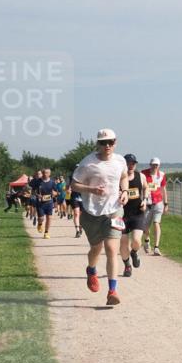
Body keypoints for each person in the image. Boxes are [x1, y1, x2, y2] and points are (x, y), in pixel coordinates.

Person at [70, 129, 129, 306]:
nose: (107, 145)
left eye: (110, 142)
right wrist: (91, 190)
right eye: (103, 142)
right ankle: (91, 270)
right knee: (96, 249)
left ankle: (112, 291)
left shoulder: (120, 160)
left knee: (111, 249)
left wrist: (125, 191)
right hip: (92, 212)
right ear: (98, 144)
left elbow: (124, 176)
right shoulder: (88, 163)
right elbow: (74, 185)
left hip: (114, 210)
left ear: (115, 142)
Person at [119, 154, 148, 277]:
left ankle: (134, 253)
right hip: (122, 214)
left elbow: (146, 188)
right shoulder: (118, 178)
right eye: (128, 163)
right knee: (123, 242)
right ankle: (127, 266)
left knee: (136, 240)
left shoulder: (141, 176)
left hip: (137, 213)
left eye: (133, 163)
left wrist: (145, 200)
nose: (130, 166)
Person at [142, 157, 168, 256]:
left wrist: (166, 203)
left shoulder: (162, 175)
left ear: (159, 165)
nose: (154, 166)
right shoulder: (144, 174)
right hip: (147, 203)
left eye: (156, 165)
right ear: (150, 164)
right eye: (153, 164)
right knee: (145, 226)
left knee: (156, 223)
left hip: (158, 202)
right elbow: (141, 187)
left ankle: (156, 247)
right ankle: (147, 240)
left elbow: (163, 189)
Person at [35, 168, 56, 238]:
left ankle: (46, 233)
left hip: (49, 202)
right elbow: (32, 191)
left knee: (49, 218)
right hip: (40, 203)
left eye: (46, 173)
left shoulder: (52, 182)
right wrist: (37, 195)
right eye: (43, 173)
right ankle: (40, 224)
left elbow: (57, 192)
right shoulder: (38, 181)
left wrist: (54, 193)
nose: (45, 174)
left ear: (49, 174)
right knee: (41, 218)